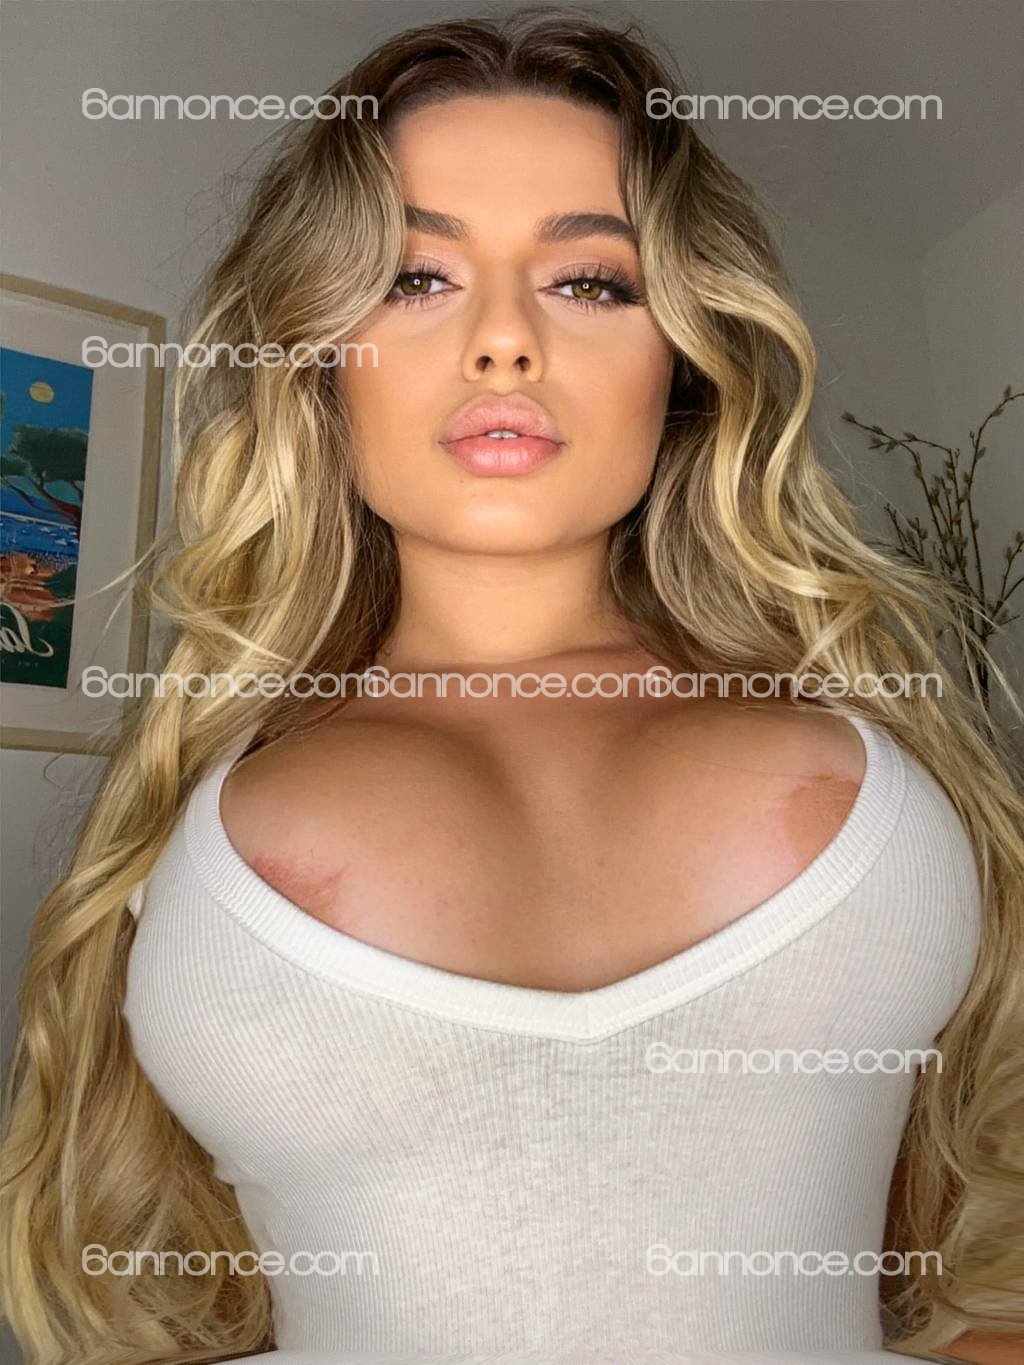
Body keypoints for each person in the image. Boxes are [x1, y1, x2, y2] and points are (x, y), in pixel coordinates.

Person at [2, 10, 1021, 1364]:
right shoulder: (196, 795)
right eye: (415, 277)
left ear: (684, 359)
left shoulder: (874, 729)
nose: (503, 342)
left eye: (589, 283)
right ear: (317, 358)